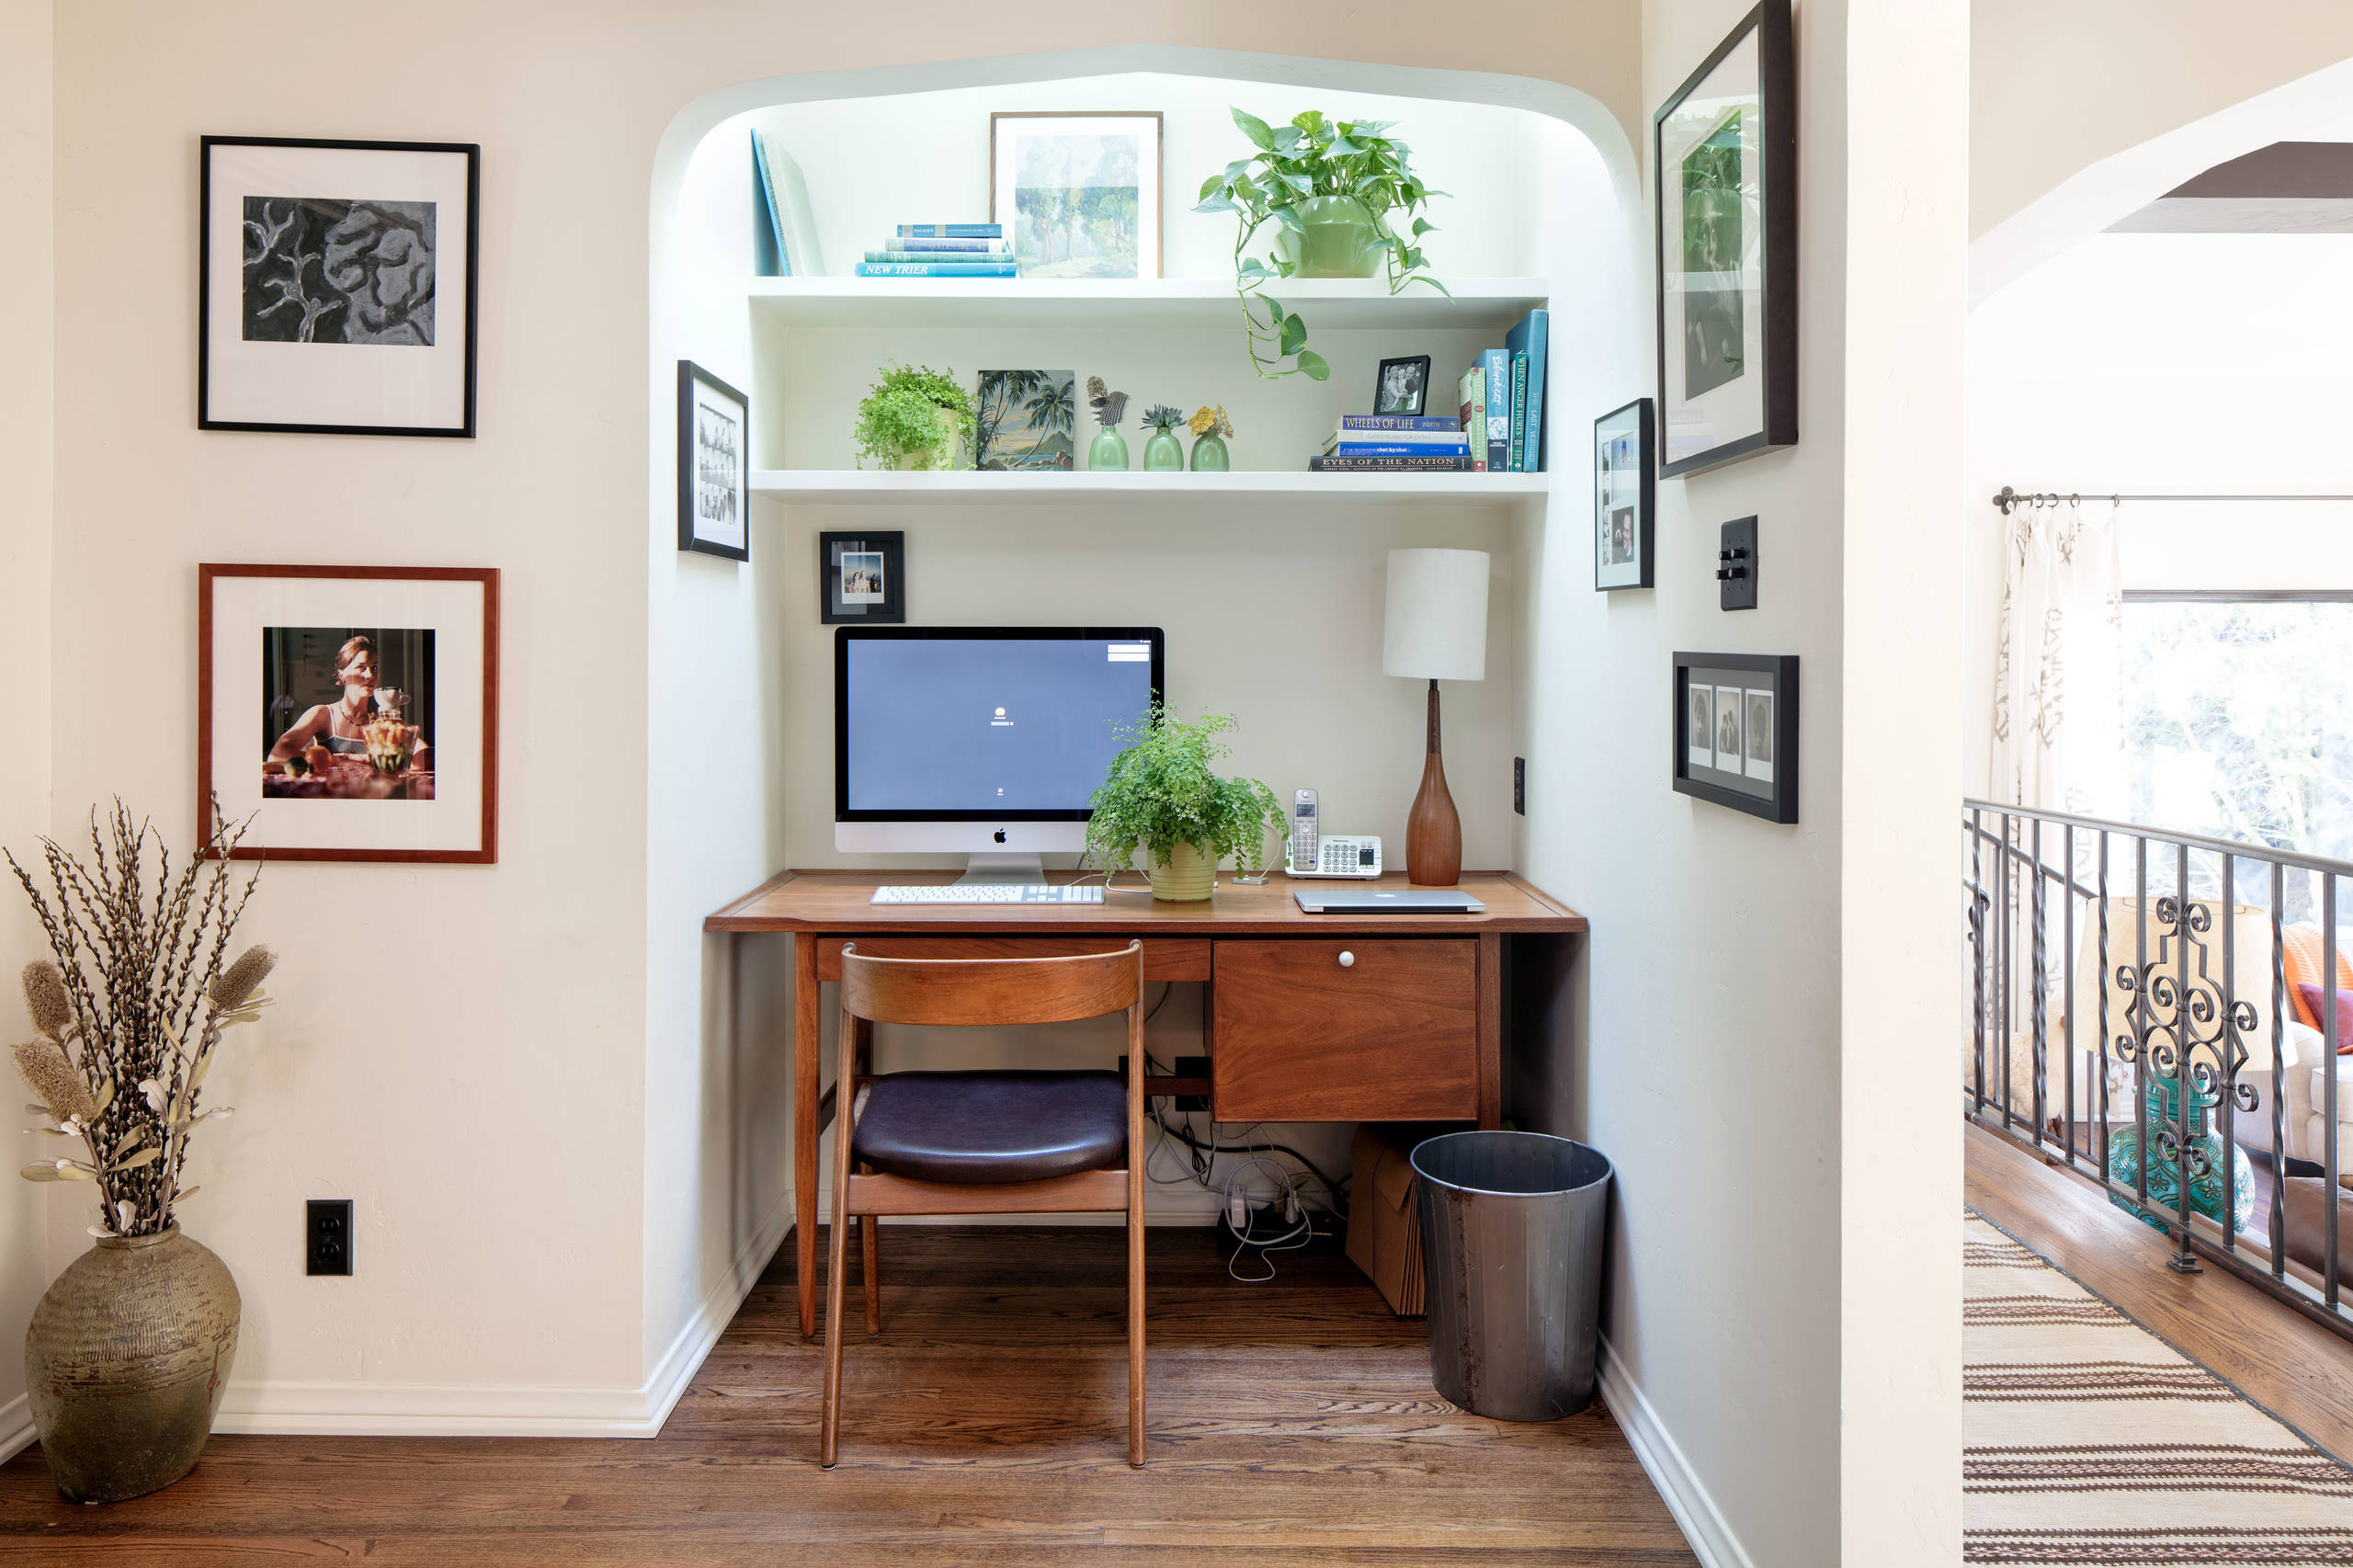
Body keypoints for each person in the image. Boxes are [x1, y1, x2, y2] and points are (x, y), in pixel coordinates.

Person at [267, 635, 432, 770]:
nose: (370, 675)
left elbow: (426, 756)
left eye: (374, 668)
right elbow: (278, 753)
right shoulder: (323, 714)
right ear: (342, 675)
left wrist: (358, 758)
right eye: (361, 667)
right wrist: (336, 761)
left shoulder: (383, 722)